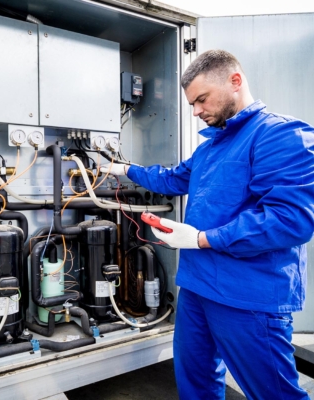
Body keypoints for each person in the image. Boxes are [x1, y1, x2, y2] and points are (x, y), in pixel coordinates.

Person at [102, 49, 314, 399]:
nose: (197, 111)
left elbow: (290, 221)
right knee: (196, 382)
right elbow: (171, 179)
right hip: (198, 288)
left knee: (274, 393)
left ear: (234, 81)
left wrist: (202, 239)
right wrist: (123, 170)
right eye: (192, 105)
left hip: (247, 296)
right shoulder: (210, 148)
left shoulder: (280, 136)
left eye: (202, 100)